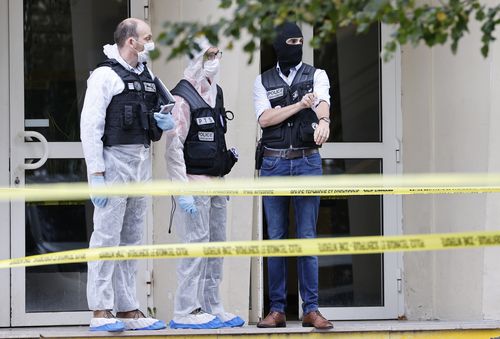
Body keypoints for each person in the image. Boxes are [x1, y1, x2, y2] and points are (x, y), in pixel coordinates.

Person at [80, 18, 174, 332]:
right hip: (113, 161)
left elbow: (151, 115)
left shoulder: (147, 75)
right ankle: (101, 308)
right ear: (131, 41)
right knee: (107, 237)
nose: (152, 42)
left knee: (132, 238)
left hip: (140, 160)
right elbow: (90, 126)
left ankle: (127, 307)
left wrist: (160, 120)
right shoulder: (105, 75)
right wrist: (96, 172)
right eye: (148, 37)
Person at [253, 22, 334, 330]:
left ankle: (311, 309)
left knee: (307, 239)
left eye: (300, 40)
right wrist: (299, 105)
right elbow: (265, 119)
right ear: (278, 44)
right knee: (275, 239)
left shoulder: (317, 74)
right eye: (290, 40)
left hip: (306, 162)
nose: (296, 45)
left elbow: (323, 100)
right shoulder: (262, 81)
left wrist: (323, 119)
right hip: (273, 165)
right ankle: (277, 310)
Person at [164, 37, 243, 329]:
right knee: (194, 248)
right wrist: (181, 189)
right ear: (195, 57)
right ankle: (186, 310)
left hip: (217, 182)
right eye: (209, 55)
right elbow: (173, 148)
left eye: (217, 54)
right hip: (193, 185)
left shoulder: (215, 92)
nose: (214, 60)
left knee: (215, 247)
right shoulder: (182, 97)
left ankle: (212, 305)